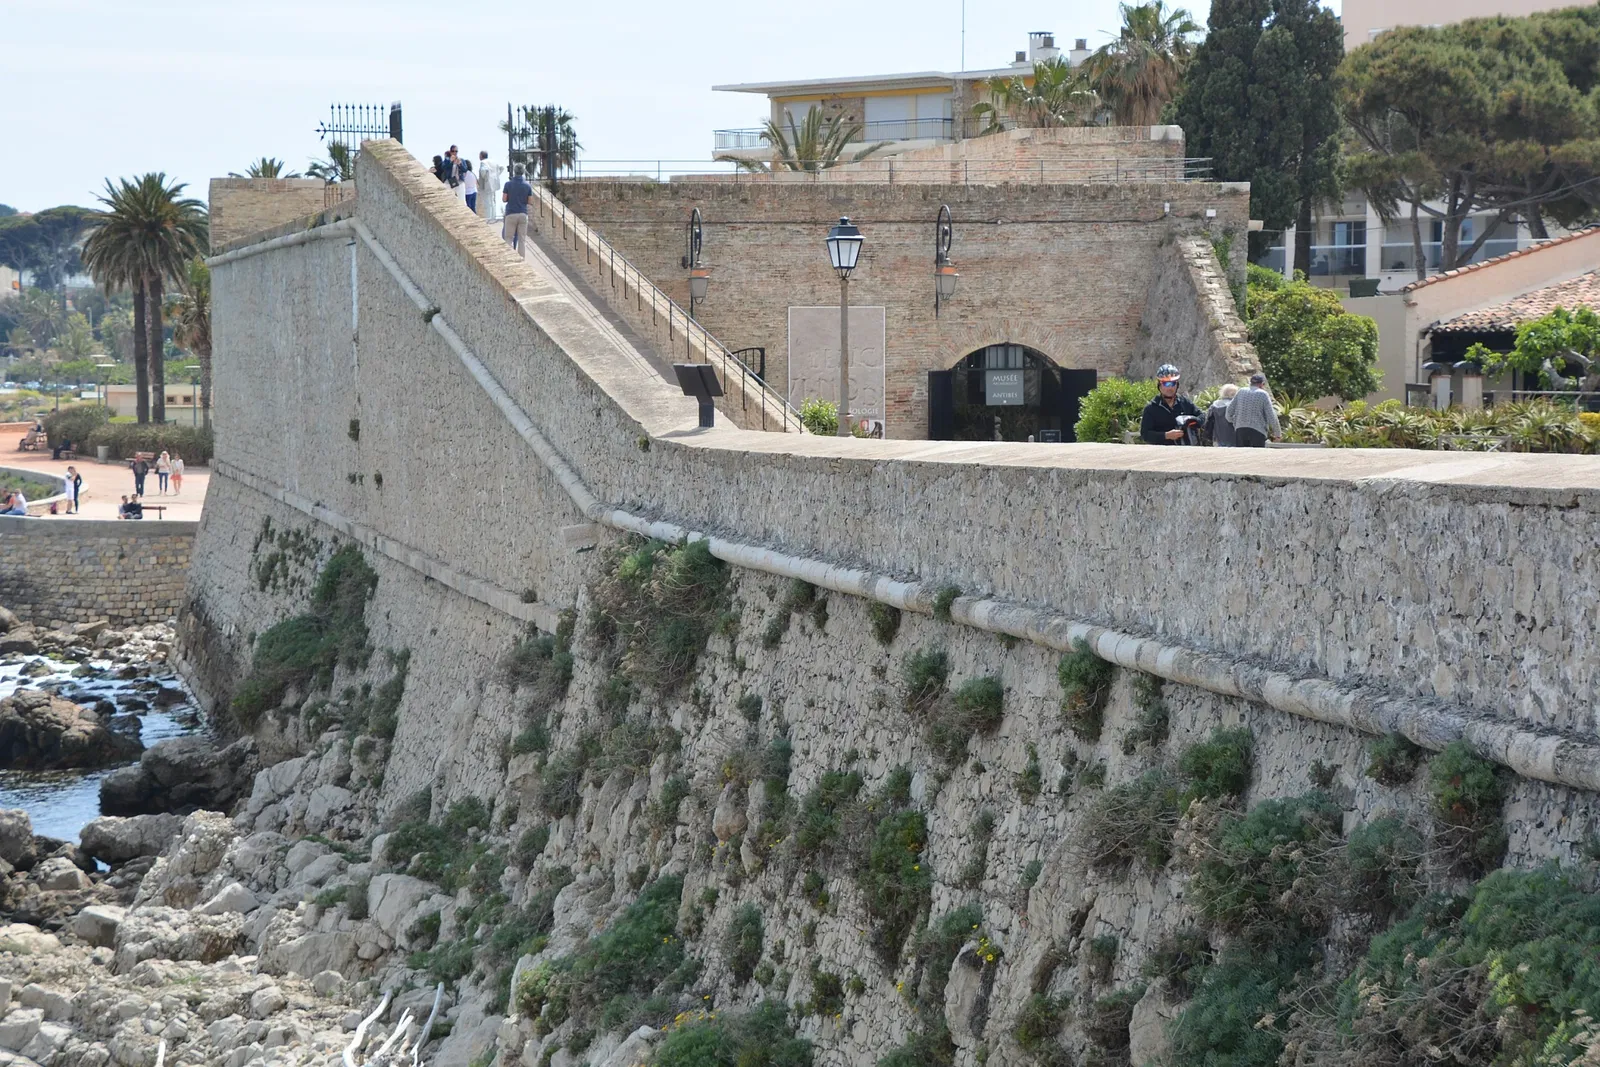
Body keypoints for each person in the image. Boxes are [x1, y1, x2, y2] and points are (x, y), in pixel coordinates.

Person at [1140, 364, 1202, 445]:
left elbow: (1202, 416)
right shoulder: (1151, 408)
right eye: (1166, 384)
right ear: (1160, 385)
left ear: (1177, 385)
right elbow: (1145, 435)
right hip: (1162, 452)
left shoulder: (1184, 402)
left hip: (1186, 451)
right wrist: (1166, 435)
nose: (1170, 388)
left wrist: (1192, 421)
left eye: (1173, 383)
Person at [1227, 372, 1282, 448]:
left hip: (1240, 430)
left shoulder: (1241, 391)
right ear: (1262, 384)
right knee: (1256, 457)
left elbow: (1229, 411)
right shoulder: (1263, 394)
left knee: (1241, 456)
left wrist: (1235, 422)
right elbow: (1271, 415)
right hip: (1258, 431)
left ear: (1251, 382)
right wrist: (1277, 434)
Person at [502, 164, 533, 253]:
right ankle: (521, 260)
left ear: (514, 172)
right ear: (523, 172)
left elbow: (504, 199)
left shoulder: (508, 184)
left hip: (511, 213)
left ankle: (509, 258)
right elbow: (530, 201)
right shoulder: (527, 186)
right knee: (522, 239)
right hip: (523, 213)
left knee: (508, 238)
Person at [478, 151, 500, 219]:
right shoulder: (493, 162)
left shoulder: (483, 162)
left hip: (486, 184)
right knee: (492, 201)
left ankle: (488, 218)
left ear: (481, 156)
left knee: (487, 202)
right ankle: (493, 217)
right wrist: (496, 176)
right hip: (493, 184)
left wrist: (485, 177)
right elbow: (501, 168)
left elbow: (483, 171)